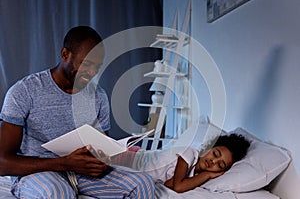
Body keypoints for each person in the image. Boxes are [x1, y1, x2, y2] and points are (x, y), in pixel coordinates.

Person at [0, 26, 154, 198]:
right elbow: (3, 163)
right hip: (39, 173)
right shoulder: (24, 91)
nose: (92, 73)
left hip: (82, 173)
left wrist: (102, 160)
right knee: (58, 193)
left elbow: (102, 149)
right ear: (65, 54)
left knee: (143, 183)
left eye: (97, 67)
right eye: (86, 64)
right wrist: (64, 163)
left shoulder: (98, 96)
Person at [112, 133, 250, 194]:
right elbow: (178, 187)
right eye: (215, 154)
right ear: (209, 148)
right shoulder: (189, 153)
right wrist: (207, 175)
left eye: (219, 165)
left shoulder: (191, 176)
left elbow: (168, 185)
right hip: (127, 158)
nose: (213, 161)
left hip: (130, 170)